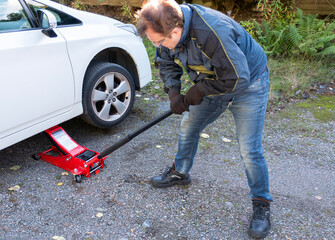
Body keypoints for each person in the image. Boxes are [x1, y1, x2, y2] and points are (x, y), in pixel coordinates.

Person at [137, 0, 273, 238]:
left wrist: (200, 90)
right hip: (213, 81)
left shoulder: (212, 31)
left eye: (159, 41)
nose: (157, 45)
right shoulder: (165, 30)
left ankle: (261, 204)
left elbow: (237, 78)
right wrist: (174, 93)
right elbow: (166, 61)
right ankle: (180, 173)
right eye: (153, 41)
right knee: (188, 126)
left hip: (248, 84)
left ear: (176, 31)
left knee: (249, 148)